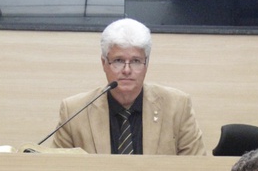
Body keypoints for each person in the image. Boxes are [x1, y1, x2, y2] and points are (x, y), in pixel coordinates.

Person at [51, 18, 206, 156]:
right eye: (118, 60)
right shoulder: (74, 111)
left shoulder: (177, 107)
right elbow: (56, 170)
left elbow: (198, 169)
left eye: (136, 61)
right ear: (104, 63)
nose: (127, 70)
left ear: (146, 64)